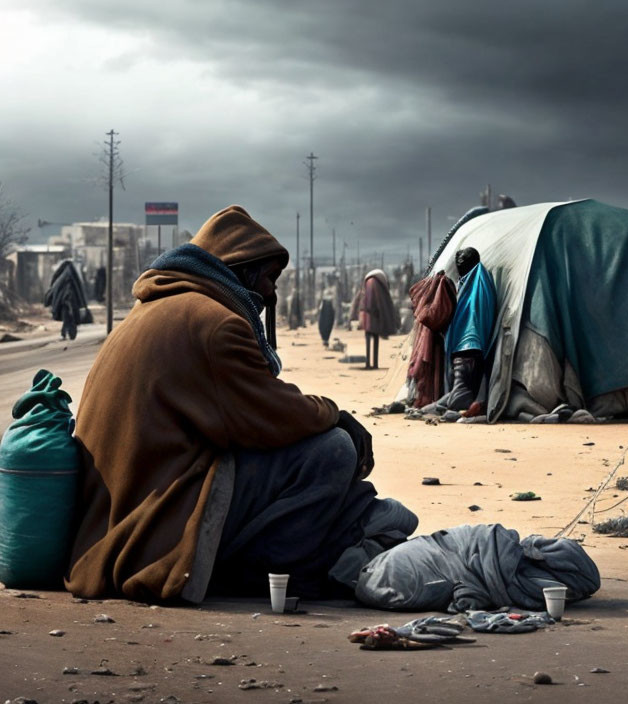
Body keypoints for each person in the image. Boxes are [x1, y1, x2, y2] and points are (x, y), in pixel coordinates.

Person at [66, 205, 416, 603]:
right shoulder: (215, 324)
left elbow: (247, 407)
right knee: (333, 449)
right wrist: (335, 414)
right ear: (242, 270)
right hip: (155, 529)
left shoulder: (155, 311)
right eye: (267, 278)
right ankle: (268, 572)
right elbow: (272, 415)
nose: (270, 292)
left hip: (114, 523)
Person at [441, 247, 496, 412]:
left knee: (458, 395)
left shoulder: (474, 283)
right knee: (459, 394)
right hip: (473, 349)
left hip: (466, 351)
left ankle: (465, 404)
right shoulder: (478, 282)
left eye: (462, 263)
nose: (459, 267)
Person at [357, 269, 400, 369]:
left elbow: (365, 299)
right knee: (375, 340)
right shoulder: (377, 282)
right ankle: (375, 364)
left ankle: (368, 364)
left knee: (368, 340)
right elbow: (378, 300)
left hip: (367, 315)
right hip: (375, 317)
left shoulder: (369, 281)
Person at [44, 259, 92, 340]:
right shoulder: (70, 278)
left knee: (68, 318)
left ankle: (66, 333)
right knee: (68, 318)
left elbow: (55, 290)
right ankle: (67, 333)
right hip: (68, 303)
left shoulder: (62, 279)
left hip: (66, 303)